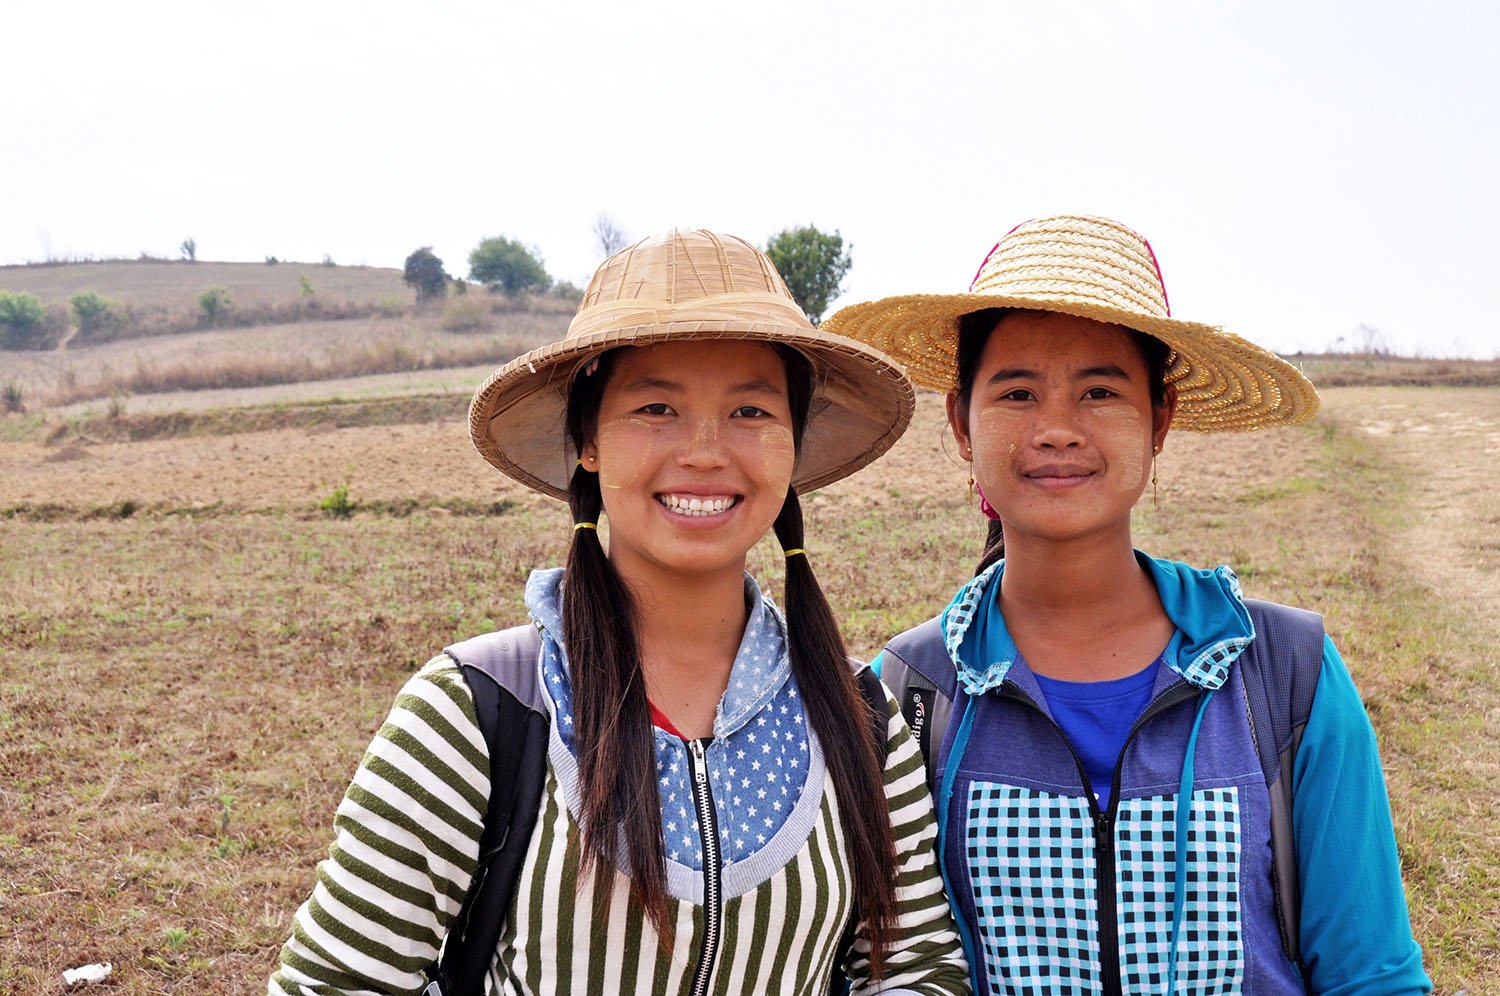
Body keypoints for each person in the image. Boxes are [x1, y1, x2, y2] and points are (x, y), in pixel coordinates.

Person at [269, 229, 970, 996]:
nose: (705, 452)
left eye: (750, 410)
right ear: (588, 441)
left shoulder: (859, 717)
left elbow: (914, 969)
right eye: (656, 407)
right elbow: (336, 984)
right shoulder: (477, 711)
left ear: (793, 446)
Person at [823, 215, 1430, 995]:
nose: (1057, 430)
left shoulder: (1288, 674)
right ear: (960, 424)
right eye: (1016, 391)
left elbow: (1371, 976)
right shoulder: (910, 695)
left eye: (1100, 391)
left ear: (1160, 419)